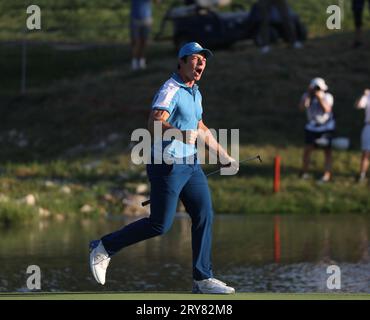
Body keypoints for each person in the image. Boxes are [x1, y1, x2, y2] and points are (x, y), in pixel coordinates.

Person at [89, 42, 239, 294]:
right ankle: (103, 247)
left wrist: (223, 155)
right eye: (195, 58)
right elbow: (153, 123)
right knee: (160, 224)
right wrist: (180, 134)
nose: (201, 63)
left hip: (191, 165)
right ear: (181, 62)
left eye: (204, 59)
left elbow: (200, 126)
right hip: (166, 164)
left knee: (204, 215)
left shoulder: (195, 92)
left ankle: (202, 279)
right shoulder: (170, 89)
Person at [299, 77, 335, 183]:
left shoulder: (327, 96)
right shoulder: (307, 96)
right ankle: (304, 172)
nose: (317, 90)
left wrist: (319, 98)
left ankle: (327, 175)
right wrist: (309, 95)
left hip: (326, 127)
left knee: (327, 151)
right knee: (307, 150)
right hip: (312, 127)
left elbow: (327, 109)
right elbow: (301, 108)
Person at [130, 0, 157, 70]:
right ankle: (135, 63)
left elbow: (157, 2)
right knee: (137, 42)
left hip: (147, 21)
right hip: (136, 21)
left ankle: (142, 62)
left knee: (144, 43)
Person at [355, 89, 370, 182]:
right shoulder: (368, 96)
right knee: (366, 153)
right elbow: (358, 105)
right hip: (369, 126)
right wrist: (363, 95)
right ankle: (362, 175)